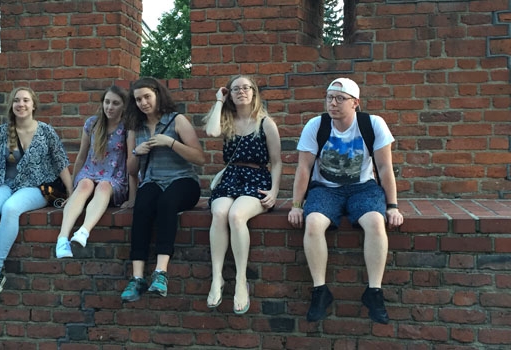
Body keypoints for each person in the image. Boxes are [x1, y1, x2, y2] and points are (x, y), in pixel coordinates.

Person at [287, 78, 404, 324]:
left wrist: (392, 206)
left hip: (363, 188)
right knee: (314, 222)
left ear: (355, 103)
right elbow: (304, 169)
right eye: (329, 97)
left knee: (375, 221)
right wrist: (297, 205)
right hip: (325, 189)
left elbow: (384, 168)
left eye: (340, 99)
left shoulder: (372, 124)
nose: (333, 103)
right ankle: (320, 291)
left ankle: (374, 292)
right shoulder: (315, 125)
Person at [0, 87, 73, 298]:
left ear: (33, 105)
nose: (21, 104)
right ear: (12, 106)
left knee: (11, 208)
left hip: (36, 187)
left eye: (26, 100)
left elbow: (61, 164)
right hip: (6, 185)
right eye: (17, 101)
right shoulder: (1, 132)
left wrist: (71, 193)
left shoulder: (46, 131)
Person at [120, 77, 205, 302]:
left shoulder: (177, 120)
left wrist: (171, 143)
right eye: (138, 99)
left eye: (147, 97)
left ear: (158, 95)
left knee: (167, 203)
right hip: (152, 181)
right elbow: (131, 169)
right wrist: (137, 152)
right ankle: (137, 277)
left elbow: (199, 158)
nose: (143, 103)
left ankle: (160, 273)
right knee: (143, 206)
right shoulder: (134, 128)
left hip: (183, 181)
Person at [203, 75, 282, 314]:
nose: (241, 92)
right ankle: (217, 278)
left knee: (236, 216)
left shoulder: (265, 123)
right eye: (235, 89)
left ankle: (240, 280)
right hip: (230, 178)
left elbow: (277, 162)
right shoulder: (226, 120)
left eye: (246, 88)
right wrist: (219, 101)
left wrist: (274, 191)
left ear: (254, 92)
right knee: (219, 213)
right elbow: (212, 132)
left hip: (257, 178)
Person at [55, 86, 136, 258]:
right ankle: (62, 239)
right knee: (84, 184)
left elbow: (131, 162)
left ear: (124, 106)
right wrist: (71, 191)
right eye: (107, 102)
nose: (110, 107)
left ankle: (83, 232)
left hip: (115, 177)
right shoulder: (92, 123)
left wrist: (132, 197)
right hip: (89, 172)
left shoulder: (128, 127)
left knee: (104, 187)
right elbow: (81, 156)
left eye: (115, 103)